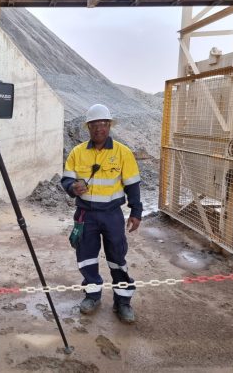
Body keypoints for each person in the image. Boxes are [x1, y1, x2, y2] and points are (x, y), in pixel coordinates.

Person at [61, 104, 142, 323]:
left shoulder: (122, 152)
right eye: (94, 124)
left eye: (103, 124)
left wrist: (136, 211)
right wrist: (72, 187)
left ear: (109, 126)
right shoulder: (77, 152)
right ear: (88, 127)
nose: (99, 129)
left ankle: (123, 301)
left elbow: (132, 184)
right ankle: (92, 296)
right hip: (85, 214)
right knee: (86, 257)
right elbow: (66, 179)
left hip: (112, 215)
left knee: (117, 257)